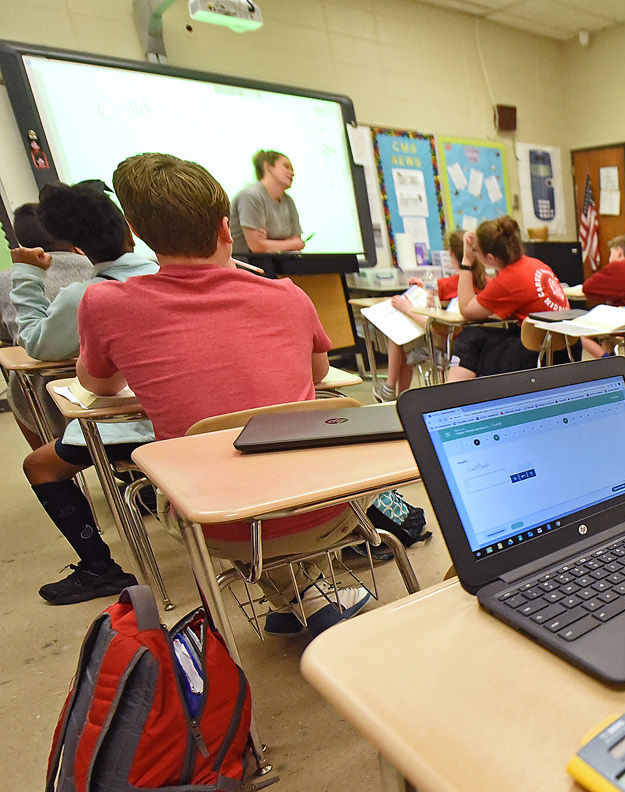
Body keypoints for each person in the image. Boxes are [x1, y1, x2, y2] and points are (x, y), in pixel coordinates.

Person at [78, 152, 369, 635]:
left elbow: (99, 385)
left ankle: (299, 598)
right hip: (332, 505)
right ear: (226, 227)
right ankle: (302, 595)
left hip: (216, 522)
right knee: (264, 463)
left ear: (135, 231)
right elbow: (319, 371)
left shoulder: (106, 304)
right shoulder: (289, 296)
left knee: (216, 469)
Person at [11, 182, 158, 605]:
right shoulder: (166, 275)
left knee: (39, 465)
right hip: (194, 417)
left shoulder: (89, 295)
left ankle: (99, 567)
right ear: (129, 230)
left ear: (77, 247)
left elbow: (39, 345)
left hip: (136, 424)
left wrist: (26, 275)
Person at [2, 201, 93, 448]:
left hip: (45, 398)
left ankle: (47, 452)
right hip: (109, 389)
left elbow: (11, 337)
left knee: (16, 380)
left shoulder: (7, 279)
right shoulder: (98, 269)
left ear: (21, 241)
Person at [447, 215, 570, 381]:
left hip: (536, 353)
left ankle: (457, 395)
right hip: (565, 348)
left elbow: (467, 310)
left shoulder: (509, 279)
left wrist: (467, 261)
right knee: (480, 335)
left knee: (469, 338)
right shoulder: (536, 264)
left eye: (477, 251)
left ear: (490, 258)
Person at [383, 229, 483, 396]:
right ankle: (394, 391)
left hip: (449, 342)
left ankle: (392, 389)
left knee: (397, 335)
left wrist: (409, 308)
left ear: (451, 254)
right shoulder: (485, 281)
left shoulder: (452, 283)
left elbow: (434, 324)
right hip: (469, 341)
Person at [229, 149, 305, 254]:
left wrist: (269, 243)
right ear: (268, 167)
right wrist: (291, 243)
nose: (292, 173)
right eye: (286, 167)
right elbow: (257, 246)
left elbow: (299, 243)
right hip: (248, 265)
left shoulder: (288, 201)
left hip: (277, 264)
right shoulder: (251, 196)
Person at [581, 234, 625, 306]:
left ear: (619, 252)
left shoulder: (617, 267)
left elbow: (587, 287)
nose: (609, 259)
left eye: (611, 254)